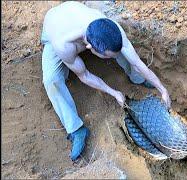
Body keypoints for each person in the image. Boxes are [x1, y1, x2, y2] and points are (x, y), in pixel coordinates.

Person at [41, 1, 171, 161]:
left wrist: (162, 89)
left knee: (120, 51)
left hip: (74, 12)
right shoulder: (63, 45)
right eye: (108, 56)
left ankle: (137, 79)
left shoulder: (110, 28)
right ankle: (76, 129)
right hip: (54, 27)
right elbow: (84, 76)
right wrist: (114, 92)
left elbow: (137, 63)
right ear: (90, 49)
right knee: (51, 80)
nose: (113, 57)